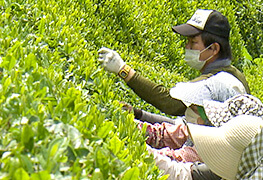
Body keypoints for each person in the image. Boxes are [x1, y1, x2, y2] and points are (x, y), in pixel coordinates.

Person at [97, 9, 249, 123]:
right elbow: (182, 128)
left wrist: (124, 71)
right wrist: (139, 114)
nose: (187, 47)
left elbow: (171, 103)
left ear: (214, 49)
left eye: (193, 42)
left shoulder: (216, 83)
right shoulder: (234, 73)